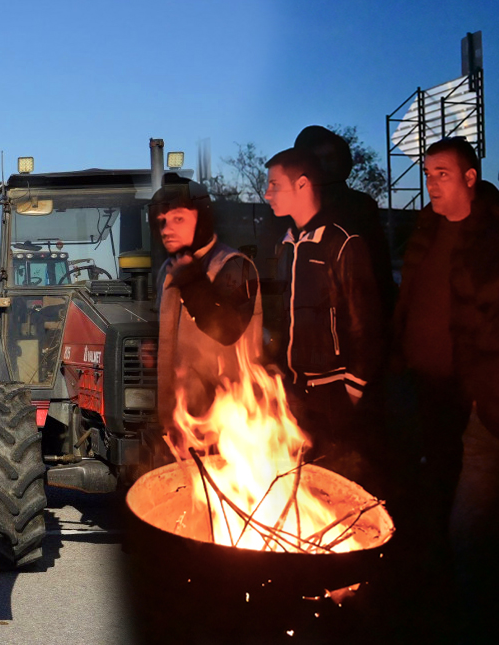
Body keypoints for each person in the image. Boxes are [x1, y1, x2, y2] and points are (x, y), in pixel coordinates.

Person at [392, 137, 499, 641]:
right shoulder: (427, 229)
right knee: (432, 497)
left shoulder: (492, 236)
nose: (431, 182)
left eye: (441, 173)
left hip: (477, 398)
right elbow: (411, 302)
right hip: (427, 391)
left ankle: (472, 611)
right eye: (428, 173)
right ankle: (434, 598)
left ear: (469, 178)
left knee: (472, 517)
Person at [263, 148, 383, 480]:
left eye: (274, 185)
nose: (266, 194)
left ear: (302, 185)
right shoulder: (286, 245)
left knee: (334, 484)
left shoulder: (341, 243)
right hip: (294, 393)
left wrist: (352, 390)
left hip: (332, 396)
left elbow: (365, 323)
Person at [151, 175, 262, 439]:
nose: (167, 229)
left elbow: (226, 330)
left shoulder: (234, 265)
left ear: (202, 218)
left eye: (179, 219)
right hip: (180, 419)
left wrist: (191, 280)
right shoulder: (167, 271)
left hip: (227, 419)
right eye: (162, 221)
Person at [294, 126, 396, 315]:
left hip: (351, 318)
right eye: (316, 160)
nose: (323, 167)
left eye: (329, 159)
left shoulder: (360, 207)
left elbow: (379, 272)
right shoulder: (288, 211)